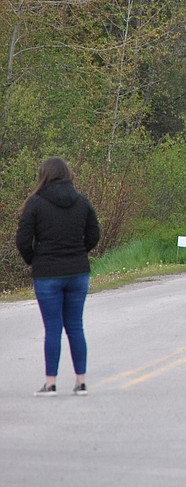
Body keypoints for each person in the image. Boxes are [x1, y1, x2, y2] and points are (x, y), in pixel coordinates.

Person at [15, 157, 100, 397]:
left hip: (47, 273)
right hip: (78, 272)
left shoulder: (35, 204)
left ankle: (50, 383)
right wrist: (80, 252)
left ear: (44, 175)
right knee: (75, 326)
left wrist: (35, 259)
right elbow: (94, 234)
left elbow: (23, 239)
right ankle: (81, 381)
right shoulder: (81, 202)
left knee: (52, 328)